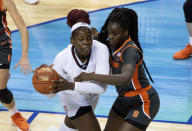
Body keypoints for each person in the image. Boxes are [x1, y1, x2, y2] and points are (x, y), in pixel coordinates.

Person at [75, 7, 160, 131]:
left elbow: (125, 78)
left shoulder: (130, 51)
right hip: (123, 99)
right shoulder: (112, 45)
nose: (110, 37)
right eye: (109, 33)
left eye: (115, 34)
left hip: (143, 101)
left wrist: (89, 76)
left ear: (126, 32)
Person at [50, 9, 110, 131]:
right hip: (71, 97)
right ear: (72, 40)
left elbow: (101, 88)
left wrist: (71, 85)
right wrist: (46, 82)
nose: (86, 43)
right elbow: (50, 95)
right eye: (81, 39)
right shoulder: (61, 58)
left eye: (89, 38)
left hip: (91, 94)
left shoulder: (101, 49)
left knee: (72, 124)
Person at [0, 0, 32, 131]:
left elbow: (23, 28)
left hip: (2, 47)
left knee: (1, 91)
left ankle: (15, 114)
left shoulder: (5, 1)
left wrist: (24, 57)